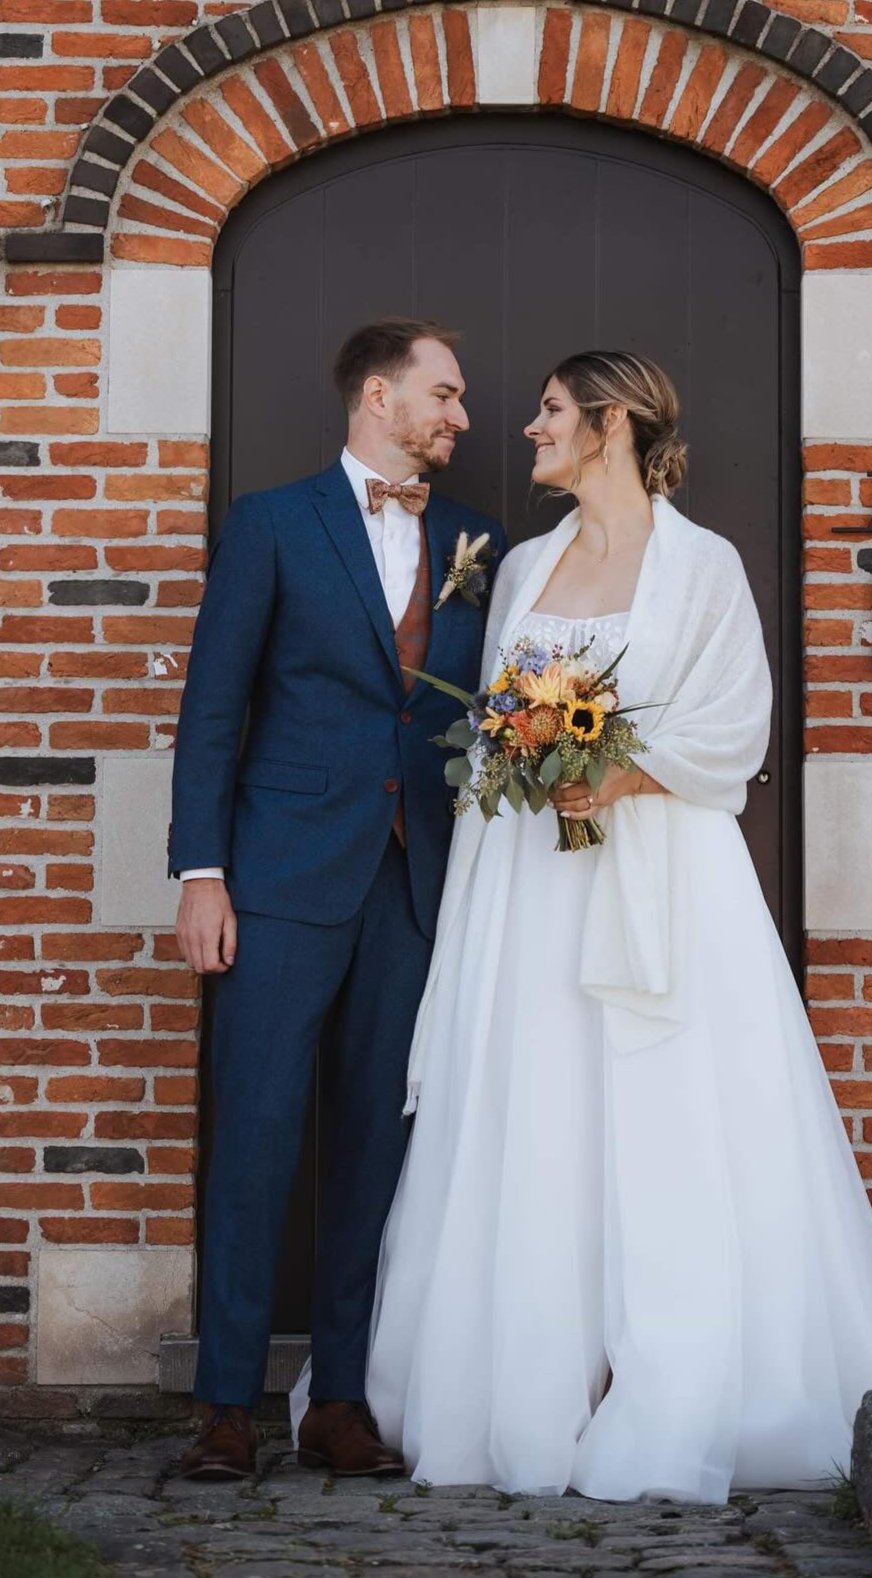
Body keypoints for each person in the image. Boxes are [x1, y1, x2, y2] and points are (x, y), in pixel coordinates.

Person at [291, 348, 872, 1502]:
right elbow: (493, 730)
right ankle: (531, 1385)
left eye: (548, 412)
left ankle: (673, 1378)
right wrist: (528, 758)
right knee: (536, 1112)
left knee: (660, 1119)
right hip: (533, 886)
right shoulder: (526, 567)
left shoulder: (702, 565)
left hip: (664, 883)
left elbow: (738, 727)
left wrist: (619, 772)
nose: (527, 429)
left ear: (612, 424)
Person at [169, 317, 506, 1480]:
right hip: (278, 878)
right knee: (257, 1136)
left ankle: (341, 1401)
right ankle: (225, 1405)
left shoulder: (478, 540)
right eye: (446, 394)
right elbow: (214, 707)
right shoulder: (271, 523)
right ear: (378, 394)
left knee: (377, 1145)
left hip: (416, 884)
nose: (463, 417)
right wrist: (200, 873)